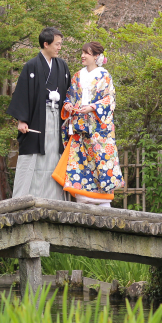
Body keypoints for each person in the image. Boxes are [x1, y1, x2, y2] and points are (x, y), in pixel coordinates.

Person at [54, 41, 124, 207]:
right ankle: (83, 197)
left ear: (96, 56)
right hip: (79, 128)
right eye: (83, 52)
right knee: (80, 162)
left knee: (101, 161)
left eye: (87, 53)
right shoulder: (78, 75)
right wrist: (68, 105)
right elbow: (69, 96)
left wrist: (93, 107)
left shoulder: (104, 75)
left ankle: (103, 200)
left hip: (99, 130)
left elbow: (109, 100)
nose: (83, 56)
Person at [7, 27, 71, 200]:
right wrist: (22, 119)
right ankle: (25, 199)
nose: (59, 48)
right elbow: (22, 93)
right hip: (36, 120)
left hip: (57, 119)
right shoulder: (31, 66)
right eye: (57, 44)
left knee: (54, 156)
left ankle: (54, 200)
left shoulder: (62, 66)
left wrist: (71, 106)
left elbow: (70, 93)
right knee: (33, 157)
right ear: (46, 44)